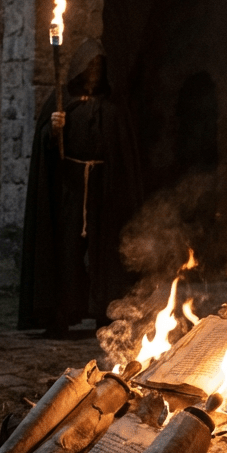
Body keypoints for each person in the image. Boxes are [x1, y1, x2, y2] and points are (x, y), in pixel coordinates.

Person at [19, 38, 143, 334]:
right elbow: (46, 149)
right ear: (79, 68)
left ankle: (105, 311)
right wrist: (53, 130)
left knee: (105, 252)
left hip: (104, 189)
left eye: (99, 67)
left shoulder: (113, 106)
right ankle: (60, 314)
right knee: (66, 251)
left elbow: (124, 154)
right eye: (89, 66)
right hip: (70, 189)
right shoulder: (61, 101)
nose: (94, 72)